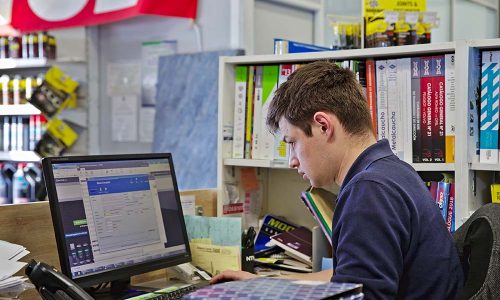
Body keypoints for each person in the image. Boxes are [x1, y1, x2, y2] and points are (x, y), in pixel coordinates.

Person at [210, 60, 464, 299]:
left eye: (292, 142)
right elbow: (347, 279)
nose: (292, 161)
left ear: (323, 125)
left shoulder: (369, 191)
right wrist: (265, 285)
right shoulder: (393, 172)